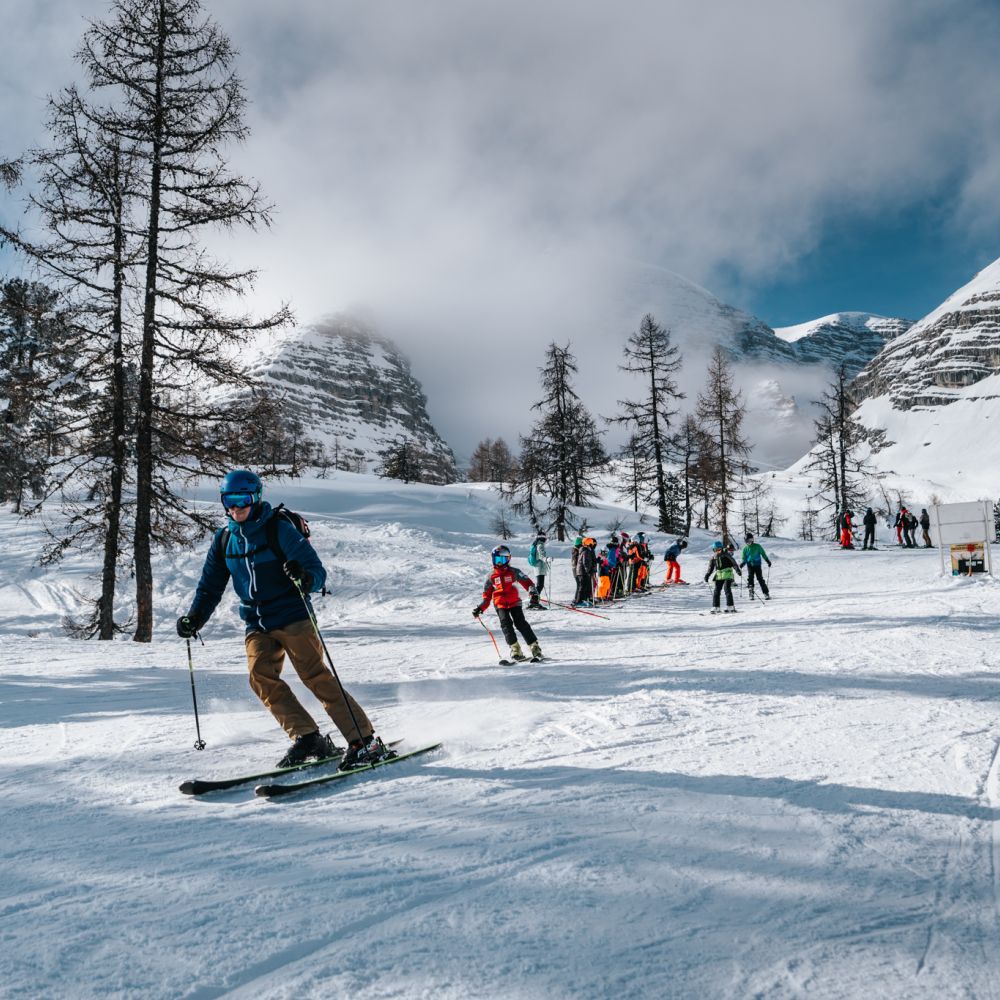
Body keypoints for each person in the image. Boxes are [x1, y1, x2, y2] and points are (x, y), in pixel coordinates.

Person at [177, 470, 388, 770]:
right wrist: (195, 617)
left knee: (315, 676)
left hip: (293, 615)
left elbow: (316, 571)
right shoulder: (225, 540)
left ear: (256, 497)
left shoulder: (278, 529)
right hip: (257, 621)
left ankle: (365, 741)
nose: (236, 508)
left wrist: (303, 576)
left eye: (242, 500)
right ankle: (307, 736)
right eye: (229, 501)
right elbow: (210, 585)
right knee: (260, 676)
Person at [473, 545, 543, 661]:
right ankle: (515, 648)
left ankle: (534, 646)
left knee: (520, 623)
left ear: (508, 559)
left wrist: (533, 593)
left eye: (503, 560)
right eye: (498, 560)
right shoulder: (491, 576)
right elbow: (486, 596)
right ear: (493, 559)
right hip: (500, 604)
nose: (500, 563)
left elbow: (527, 583)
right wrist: (480, 608)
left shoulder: (514, 572)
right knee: (506, 626)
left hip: (514, 602)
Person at [704, 540, 741, 613]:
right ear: (714, 550)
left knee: (727, 589)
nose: (718, 551)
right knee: (716, 591)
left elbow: (733, 563)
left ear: (721, 548)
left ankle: (730, 606)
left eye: (719, 549)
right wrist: (707, 575)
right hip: (719, 575)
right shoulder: (713, 558)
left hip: (727, 574)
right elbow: (710, 568)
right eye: (716, 550)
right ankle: (716, 607)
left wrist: (737, 570)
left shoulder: (726, 555)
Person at [740, 533, 772, 599]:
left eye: (751, 540)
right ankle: (751, 593)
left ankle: (766, 593)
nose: (749, 542)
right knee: (750, 579)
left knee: (760, 578)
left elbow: (763, 554)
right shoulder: (745, 549)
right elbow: (744, 558)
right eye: (748, 540)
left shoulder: (757, 546)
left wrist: (767, 560)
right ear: (745, 541)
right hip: (750, 565)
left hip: (757, 565)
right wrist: (743, 563)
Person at [527, 532, 550, 609]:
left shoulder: (536, 544)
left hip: (537, 567)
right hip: (539, 567)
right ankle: (533, 601)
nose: (546, 538)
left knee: (539, 585)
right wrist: (547, 559)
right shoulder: (540, 545)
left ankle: (534, 601)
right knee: (540, 585)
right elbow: (541, 556)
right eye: (545, 537)